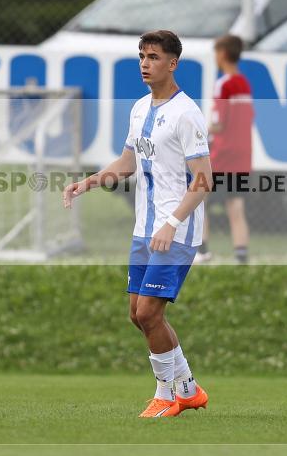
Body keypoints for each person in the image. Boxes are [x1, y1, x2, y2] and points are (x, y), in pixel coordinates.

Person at [63, 30, 212, 418]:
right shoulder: (140, 108)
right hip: (145, 229)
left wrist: (172, 222)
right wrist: (89, 181)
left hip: (175, 231)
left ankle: (167, 395)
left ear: (172, 63)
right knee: (138, 314)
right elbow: (127, 163)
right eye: (142, 56)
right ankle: (189, 388)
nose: (145, 64)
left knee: (149, 313)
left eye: (154, 57)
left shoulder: (187, 113)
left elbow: (203, 180)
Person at [196, 34, 254, 264]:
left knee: (200, 199)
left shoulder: (224, 85)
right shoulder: (244, 83)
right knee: (236, 206)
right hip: (242, 154)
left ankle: (202, 251)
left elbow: (218, 124)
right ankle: (241, 254)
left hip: (223, 154)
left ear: (222, 54)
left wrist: (201, 132)